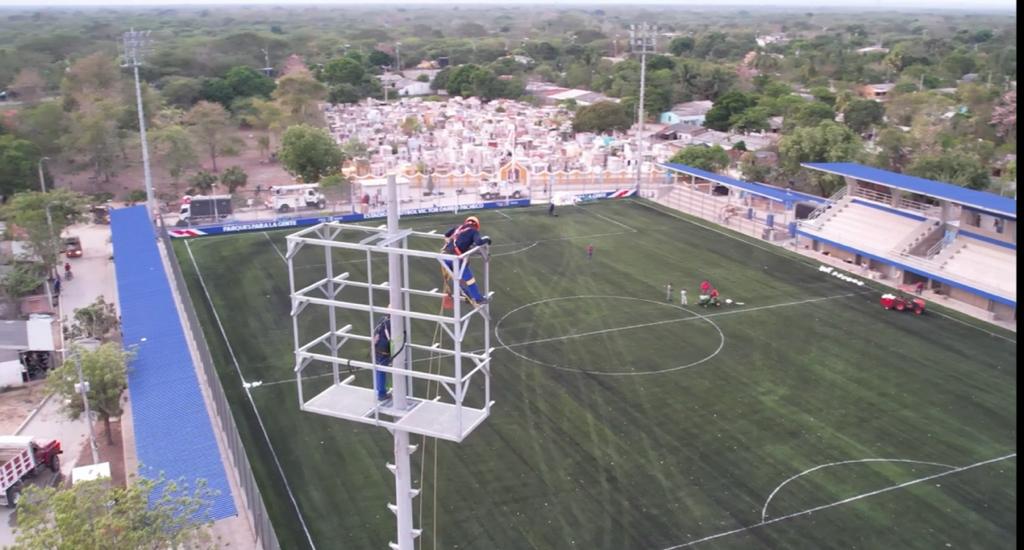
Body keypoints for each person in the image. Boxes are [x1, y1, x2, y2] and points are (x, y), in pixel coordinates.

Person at [442, 215, 491, 306]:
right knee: (469, 279)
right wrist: (487, 239)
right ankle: (478, 299)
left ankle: (466, 294)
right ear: (476, 225)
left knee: (456, 277)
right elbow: (479, 242)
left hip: (445, 257)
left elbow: (446, 235)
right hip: (456, 259)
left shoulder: (458, 228)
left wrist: (449, 243)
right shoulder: (473, 231)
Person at [372, 313, 392, 402]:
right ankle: (382, 394)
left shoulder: (382, 319)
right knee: (381, 371)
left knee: (379, 370)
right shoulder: (392, 323)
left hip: (378, 347)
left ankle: (381, 391)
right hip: (385, 349)